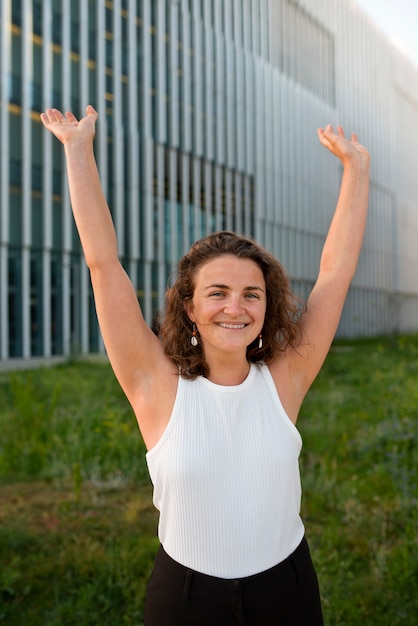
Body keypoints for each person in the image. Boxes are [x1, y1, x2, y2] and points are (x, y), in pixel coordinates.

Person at [40, 105, 370, 625]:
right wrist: (78, 149)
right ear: (190, 307)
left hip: (287, 590)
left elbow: (334, 273)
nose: (235, 308)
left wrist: (357, 170)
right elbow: (103, 266)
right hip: (186, 599)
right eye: (218, 293)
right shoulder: (154, 385)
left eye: (251, 295)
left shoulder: (285, 380)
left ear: (267, 305)